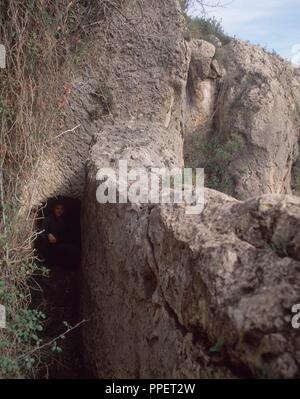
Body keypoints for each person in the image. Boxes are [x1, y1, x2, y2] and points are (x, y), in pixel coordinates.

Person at [41, 201, 80, 269]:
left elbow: (65, 235)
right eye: (57, 208)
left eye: (62, 209)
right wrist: (48, 234)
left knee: (73, 250)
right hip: (48, 245)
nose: (60, 211)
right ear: (54, 209)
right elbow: (41, 231)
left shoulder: (63, 220)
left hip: (59, 245)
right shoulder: (48, 219)